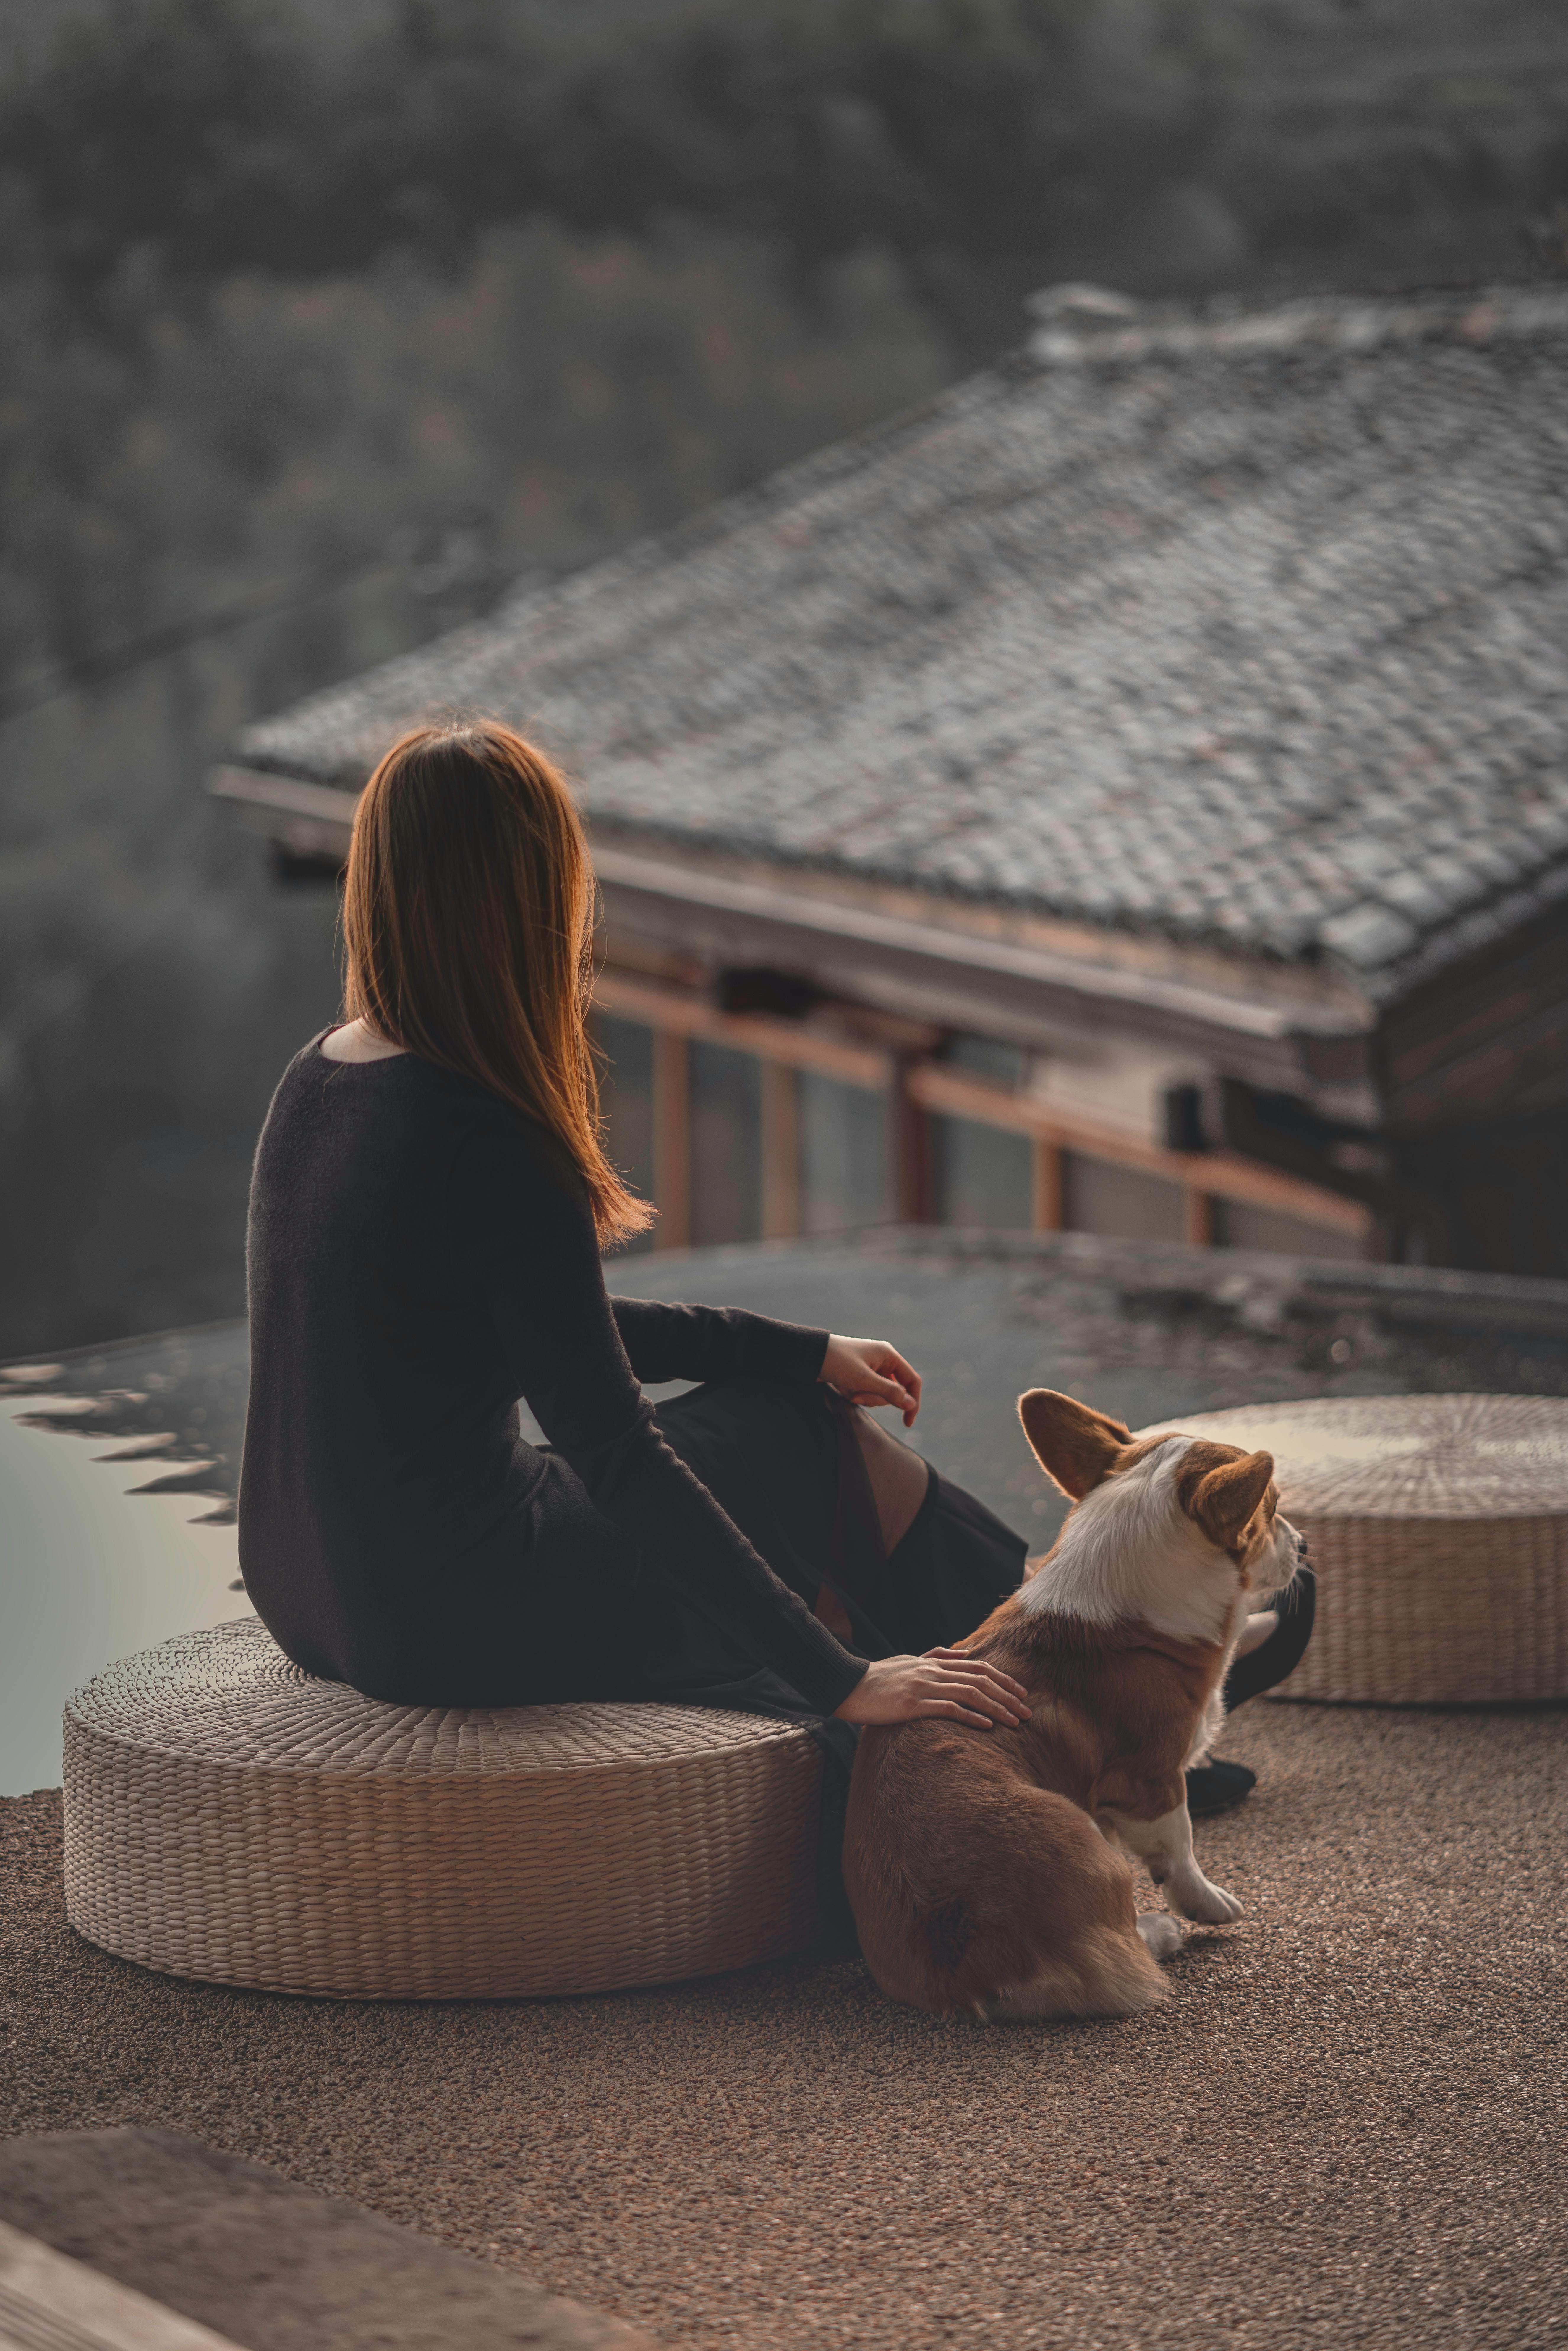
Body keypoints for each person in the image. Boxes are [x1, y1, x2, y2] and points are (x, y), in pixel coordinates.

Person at [238, 718, 1309, 1836]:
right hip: (453, 1613)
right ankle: (1108, 1675)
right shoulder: (495, 1140)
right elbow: (618, 1457)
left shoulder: (318, 1080)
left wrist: (798, 1350)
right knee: (804, 1443)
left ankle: (1108, 1683)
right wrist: (841, 1678)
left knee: (787, 1412)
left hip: (307, 1586)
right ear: (534, 898)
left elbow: (541, 1327)